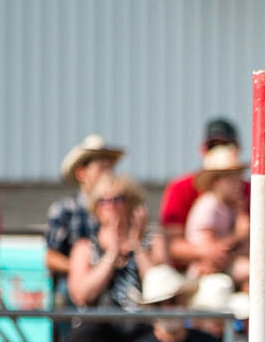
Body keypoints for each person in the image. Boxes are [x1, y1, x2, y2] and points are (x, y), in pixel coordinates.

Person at [67, 174, 154, 313]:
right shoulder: (84, 247)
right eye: (103, 201)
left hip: (141, 322)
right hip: (97, 323)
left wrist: (137, 246)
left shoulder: (153, 242)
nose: (110, 206)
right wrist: (112, 254)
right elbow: (82, 296)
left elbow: (160, 287)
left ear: (130, 203)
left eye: (117, 199)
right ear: (96, 208)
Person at [45, 135, 125, 286]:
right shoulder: (65, 210)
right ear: (82, 173)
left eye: (110, 168)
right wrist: (82, 270)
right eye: (101, 168)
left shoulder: (118, 208)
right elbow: (51, 257)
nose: (107, 174)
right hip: (71, 288)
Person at [163, 118, 239, 267]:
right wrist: (237, 236)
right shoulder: (183, 189)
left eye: (225, 145)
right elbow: (174, 244)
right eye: (213, 146)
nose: (218, 150)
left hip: (222, 263)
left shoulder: (248, 192)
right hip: (198, 268)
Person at [184, 146, 249, 285]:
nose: (239, 183)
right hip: (204, 274)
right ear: (216, 182)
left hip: (221, 269)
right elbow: (210, 252)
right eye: (232, 178)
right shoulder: (209, 205)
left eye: (239, 177)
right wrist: (238, 235)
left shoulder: (228, 207)